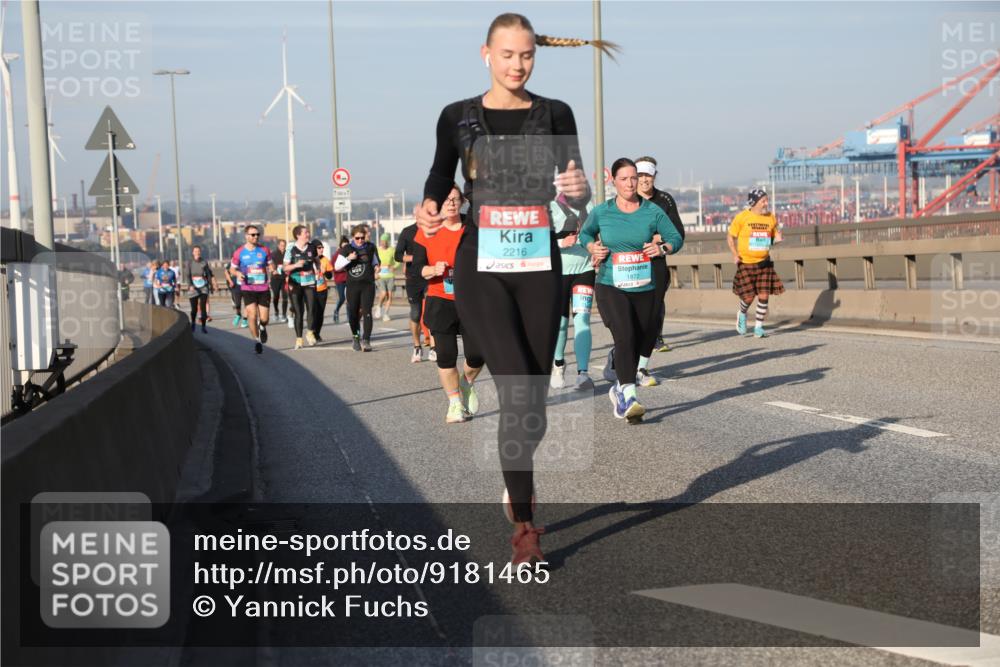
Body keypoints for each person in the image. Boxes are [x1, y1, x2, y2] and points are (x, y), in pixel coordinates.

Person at [415, 12, 615, 564]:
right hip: (482, 263)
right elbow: (440, 173)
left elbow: (576, 192)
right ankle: (525, 528)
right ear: (486, 54)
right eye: (507, 55)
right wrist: (431, 205)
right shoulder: (457, 116)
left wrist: (579, 188)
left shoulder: (555, 114)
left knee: (535, 405)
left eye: (526, 55)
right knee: (516, 393)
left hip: (539, 263)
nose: (517, 64)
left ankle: (515, 478)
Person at [579, 158, 683, 422]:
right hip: (610, 284)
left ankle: (620, 387)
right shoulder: (603, 212)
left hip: (644, 286)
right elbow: (585, 234)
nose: (630, 183)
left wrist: (662, 249)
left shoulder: (652, 211)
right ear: (614, 181)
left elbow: (676, 238)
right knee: (624, 335)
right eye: (624, 179)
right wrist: (593, 248)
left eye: (633, 178)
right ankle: (629, 394)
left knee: (644, 338)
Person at [413, 187, 485, 423]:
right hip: (440, 299)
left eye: (455, 199)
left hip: (472, 299)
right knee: (446, 355)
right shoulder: (427, 232)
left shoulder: (473, 228)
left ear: (462, 201)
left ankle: (467, 383)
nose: (451, 203)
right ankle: (454, 404)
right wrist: (432, 270)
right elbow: (417, 269)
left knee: (478, 353)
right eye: (446, 199)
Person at [548, 194, 595, 391]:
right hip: (556, 272)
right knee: (560, 323)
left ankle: (583, 373)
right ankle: (558, 364)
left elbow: (598, 233)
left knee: (582, 319)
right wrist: (560, 243)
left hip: (584, 270)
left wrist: (597, 251)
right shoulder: (548, 206)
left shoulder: (590, 205)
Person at [728, 187, 784, 337]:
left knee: (764, 295)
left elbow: (774, 237)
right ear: (754, 202)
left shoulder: (771, 217)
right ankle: (742, 313)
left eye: (766, 200)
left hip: (764, 262)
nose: (766, 203)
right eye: (763, 201)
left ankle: (759, 327)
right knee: (748, 297)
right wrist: (735, 254)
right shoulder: (742, 217)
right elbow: (730, 236)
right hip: (746, 263)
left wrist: (777, 238)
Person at [230, 224, 274, 354]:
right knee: (251, 315)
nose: (256, 237)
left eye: (257, 234)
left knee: (265, 318)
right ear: (246, 236)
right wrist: (238, 274)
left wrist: (273, 269)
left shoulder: (264, 250)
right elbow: (232, 269)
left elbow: (271, 264)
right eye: (253, 235)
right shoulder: (239, 252)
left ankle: (262, 327)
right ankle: (256, 341)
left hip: (263, 288)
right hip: (248, 288)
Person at [335, 224, 379, 352]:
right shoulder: (347, 249)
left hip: (368, 285)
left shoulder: (370, 247)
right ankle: (355, 337)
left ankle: (366, 340)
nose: (360, 240)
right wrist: (349, 258)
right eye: (357, 238)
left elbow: (375, 261)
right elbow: (337, 266)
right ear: (353, 237)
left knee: (367, 312)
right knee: (353, 314)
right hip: (352, 286)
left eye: (362, 238)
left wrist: (376, 267)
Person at [395, 222, 433, 362]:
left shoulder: (434, 228)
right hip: (413, 278)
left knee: (431, 311)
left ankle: (434, 348)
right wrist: (414, 258)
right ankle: (417, 347)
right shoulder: (407, 231)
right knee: (416, 314)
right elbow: (398, 256)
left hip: (431, 276)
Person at [283, 225, 319, 349]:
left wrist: (318, 270)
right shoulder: (290, 248)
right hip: (295, 282)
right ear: (298, 235)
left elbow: (316, 260)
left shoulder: (312, 247)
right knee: (299, 312)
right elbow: (285, 267)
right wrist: (296, 265)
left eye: (308, 232)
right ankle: (299, 339)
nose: (308, 234)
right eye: (305, 232)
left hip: (309, 282)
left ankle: (310, 332)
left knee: (312, 307)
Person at [186, 245, 218, 334]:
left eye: (198, 251)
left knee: (203, 307)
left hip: (203, 286)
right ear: (193, 253)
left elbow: (208, 274)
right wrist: (190, 285)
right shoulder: (190, 262)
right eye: (195, 251)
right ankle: (193, 323)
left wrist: (211, 285)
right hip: (193, 287)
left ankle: (203, 326)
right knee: (194, 309)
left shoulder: (204, 262)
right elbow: (188, 275)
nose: (197, 252)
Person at [312, 240, 334, 342]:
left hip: (322, 290)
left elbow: (330, 276)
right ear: (314, 249)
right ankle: (311, 331)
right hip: (311, 290)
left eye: (322, 247)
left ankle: (317, 333)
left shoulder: (325, 260)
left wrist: (325, 272)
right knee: (313, 312)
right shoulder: (310, 260)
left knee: (320, 313)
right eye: (319, 248)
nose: (321, 249)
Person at [373, 233, 398, 322]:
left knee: (389, 296)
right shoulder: (377, 251)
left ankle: (386, 314)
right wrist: (376, 270)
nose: (383, 243)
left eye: (385, 241)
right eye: (382, 241)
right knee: (383, 293)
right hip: (380, 276)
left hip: (390, 276)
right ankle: (379, 306)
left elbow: (397, 261)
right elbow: (374, 262)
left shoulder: (392, 250)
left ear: (388, 242)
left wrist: (393, 267)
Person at [270, 239, 289, 323]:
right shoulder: (273, 254)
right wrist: (273, 270)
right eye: (281, 245)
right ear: (278, 245)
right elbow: (270, 264)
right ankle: (276, 311)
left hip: (285, 279)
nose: (283, 247)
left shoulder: (287, 254)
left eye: (284, 245)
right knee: (276, 296)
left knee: (285, 297)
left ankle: (284, 315)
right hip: (275, 279)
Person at [332, 236, 349, 324]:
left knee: (349, 298)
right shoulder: (337, 254)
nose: (345, 247)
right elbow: (334, 268)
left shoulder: (350, 254)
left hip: (349, 279)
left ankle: (349, 317)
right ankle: (336, 311)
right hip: (340, 279)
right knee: (342, 298)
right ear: (341, 245)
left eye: (347, 245)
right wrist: (343, 269)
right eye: (344, 245)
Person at [223, 262, 244, 327]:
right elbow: (226, 272)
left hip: (246, 286)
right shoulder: (232, 263)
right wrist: (230, 281)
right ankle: (238, 314)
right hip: (236, 286)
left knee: (248, 303)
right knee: (237, 304)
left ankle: (245, 319)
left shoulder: (245, 261)